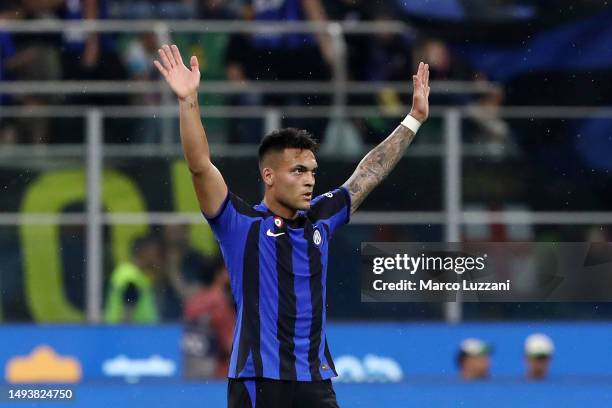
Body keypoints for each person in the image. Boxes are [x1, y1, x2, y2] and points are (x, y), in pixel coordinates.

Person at [154, 43, 429, 407]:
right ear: (269, 175)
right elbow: (200, 166)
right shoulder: (239, 224)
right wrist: (188, 100)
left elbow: (369, 172)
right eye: (298, 171)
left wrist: (413, 120)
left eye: (313, 171)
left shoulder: (322, 217)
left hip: (315, 383)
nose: (310, 180)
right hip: (258, 382)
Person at [104, 234, 163, 324]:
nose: (158, 258)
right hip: (134, 335)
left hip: (123, 333)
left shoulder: (127, 272)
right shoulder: (131, 278)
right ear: (144, 252)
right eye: (155, 253)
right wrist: (127, 336)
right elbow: (127, 317)